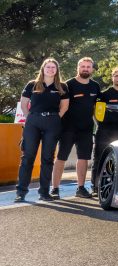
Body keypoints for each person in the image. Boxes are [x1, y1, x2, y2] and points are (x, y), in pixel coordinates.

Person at [14, 59, 69, 202]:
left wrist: (55, 118)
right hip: (33, 122)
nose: (50, 69)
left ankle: (44, 192)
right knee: (28, 157)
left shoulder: (62, 86)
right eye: (48, 67)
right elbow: (24, 104)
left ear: (57, 70)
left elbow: (64, 106)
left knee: (47, 158)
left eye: (53, 67)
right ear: (43, 69)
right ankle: (21, 192)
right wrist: (30, 118)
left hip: (52, 123)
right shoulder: (32, 84)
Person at [52, 57, 102, 199]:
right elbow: (59, 106)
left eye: (88, 67)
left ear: (92, 69)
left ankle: (80, 188)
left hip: (86, 129)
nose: (85, 69)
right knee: (61, 157)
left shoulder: (95, 86)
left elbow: (98, 108)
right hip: (67, 128)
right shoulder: (68, 85)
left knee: (84, 158)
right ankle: (55, 189)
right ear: (78, 68)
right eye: (83, 66)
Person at [92, 66, 118, 192]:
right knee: (100, 159)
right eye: (117, 76)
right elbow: (96, 114)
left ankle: (115, 187)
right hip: (105, 132)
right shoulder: (104, 94)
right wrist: (101, 126)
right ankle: (96, 187)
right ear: (112, 78)